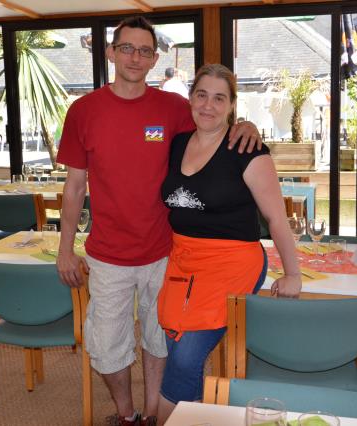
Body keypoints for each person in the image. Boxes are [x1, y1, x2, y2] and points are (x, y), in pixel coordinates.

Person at [55, 17, 261, 426]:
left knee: (160, 340)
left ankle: (153, 414)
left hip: (167, 253)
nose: (135, 57)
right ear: (111, 52)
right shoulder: (83, 111)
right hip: (108, 255)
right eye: (127, 48)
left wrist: (246, 124)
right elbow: (75, 187)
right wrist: (65, 249)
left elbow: (212, 123)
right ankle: (127, 414)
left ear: (154, 58)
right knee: (107, 345)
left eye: (145, 50)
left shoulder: (172, 109)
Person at [156, 63, 302, 424]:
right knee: (176, 345)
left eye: (219, 98)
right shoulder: (176, 145)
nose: (208, 105)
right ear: (190, 98)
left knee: (187, 356)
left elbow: (276, 219)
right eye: (202, 95)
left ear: (232, 105)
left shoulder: (247, 150)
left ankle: (163, 419)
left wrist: (293, 273)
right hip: (183, 261)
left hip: (232, 263)